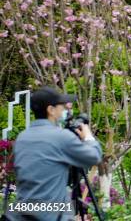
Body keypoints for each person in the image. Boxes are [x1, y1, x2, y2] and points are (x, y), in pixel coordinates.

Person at [11, 87, 103, 221]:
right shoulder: (60, 137)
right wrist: (88, 136)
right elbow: (94, 157)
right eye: (61, 106)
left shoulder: (22, 137)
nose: (64, 109)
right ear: (51, 110)